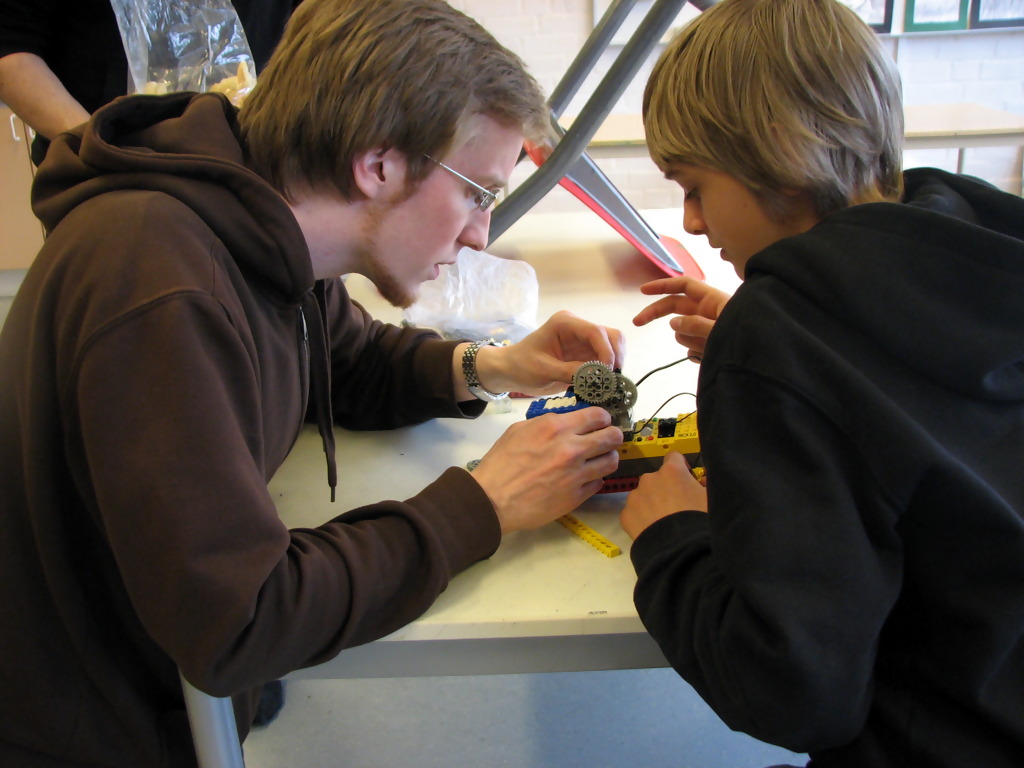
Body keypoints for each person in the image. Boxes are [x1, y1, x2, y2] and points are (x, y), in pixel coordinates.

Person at [0, 1, 627, 765]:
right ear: (379, 164)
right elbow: (240, 621)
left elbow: (346, 360)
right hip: (95, 727)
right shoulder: (160, 282)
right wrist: (486, 503)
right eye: (477, 192)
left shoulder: (256, 210)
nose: (478, 233)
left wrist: (493, 365)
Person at [619, 1, 1024, 767]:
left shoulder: (776, 338)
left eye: (695, 185)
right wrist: (782, 343)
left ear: (780, 150)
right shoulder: (977, 236)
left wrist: (672, 539)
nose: (693, 222)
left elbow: (792, 690)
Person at [0, 0, 302, 165]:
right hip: (101, 172)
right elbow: (12, 45)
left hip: (260, 166)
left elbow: (312, 29)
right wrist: (97, 146)